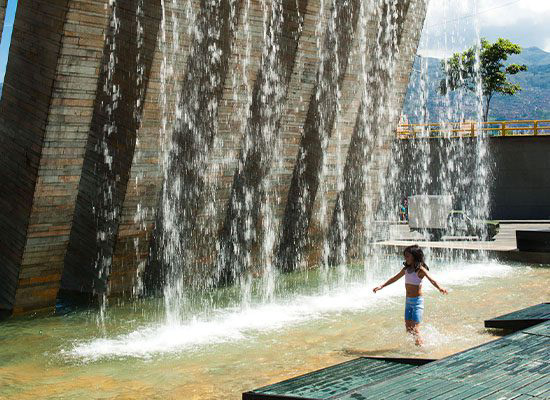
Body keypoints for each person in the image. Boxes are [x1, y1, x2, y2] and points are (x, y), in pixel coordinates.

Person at [372, 245, 448, 346]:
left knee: (415, 329)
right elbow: (394, 278)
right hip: (408, 302)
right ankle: (416, 346)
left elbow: (432, 280)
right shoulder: (406, 270)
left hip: (417, 302)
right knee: (408, 328)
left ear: (414, 257)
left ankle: (421, 348)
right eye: (405, 256)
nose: (405, 258)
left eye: (407, 256)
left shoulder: (420, 270)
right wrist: (381, 286)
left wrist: (440, 288)